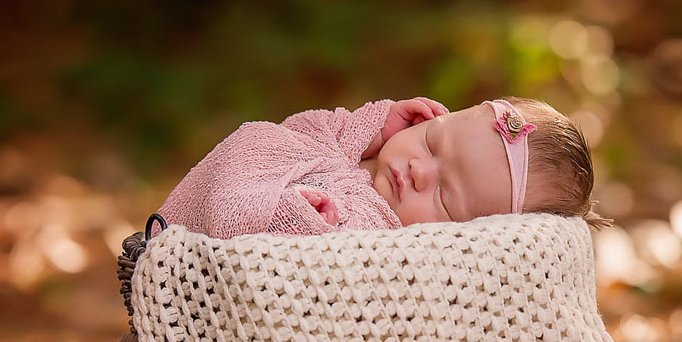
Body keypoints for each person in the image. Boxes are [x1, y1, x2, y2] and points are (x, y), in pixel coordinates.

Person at [154, 96, 603, 238]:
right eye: (431, 141)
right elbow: (302, 131)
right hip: (191, 231)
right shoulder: (354, 148)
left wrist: (309, 220)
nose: (420, 171)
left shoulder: (386, 238)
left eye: (445, 196)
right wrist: (372, 126)